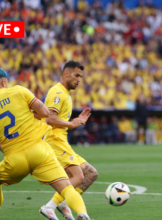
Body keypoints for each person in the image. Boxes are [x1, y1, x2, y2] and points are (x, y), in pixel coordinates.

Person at [0, 67, 91, 220]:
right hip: (39, 151)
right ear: (3, 82)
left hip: (14, 160)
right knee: (67, 188)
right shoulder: (18, 91)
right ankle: (82, 213)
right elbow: (45, 113)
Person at [39, 61, 98, 220]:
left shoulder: (65, 94)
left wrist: (74, 122)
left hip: (61, 141)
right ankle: (49, 207)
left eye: (81, 76)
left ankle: (63, 202)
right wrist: (72, 123)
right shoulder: (57, 92)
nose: (79, 79)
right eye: (76, 75)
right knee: (78, 177)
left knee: (91, 174)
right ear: (66, 74)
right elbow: (50, 119)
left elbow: (59, 120)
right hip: (54, 140)